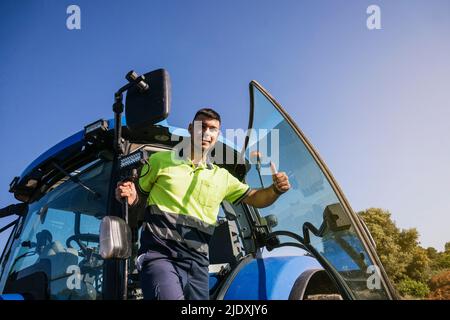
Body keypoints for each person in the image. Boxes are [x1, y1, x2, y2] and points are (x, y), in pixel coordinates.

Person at [115, 108, 290, 300]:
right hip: (160, 254)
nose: (206, 133)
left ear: (217, 134)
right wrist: (130, 197)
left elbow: (255, 197)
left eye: (212, 129)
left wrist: (275, 190)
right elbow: (138, 196)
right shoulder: (159, 161)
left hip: (197, 261)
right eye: (202, 127)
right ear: (191, 128)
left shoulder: (222, 177)